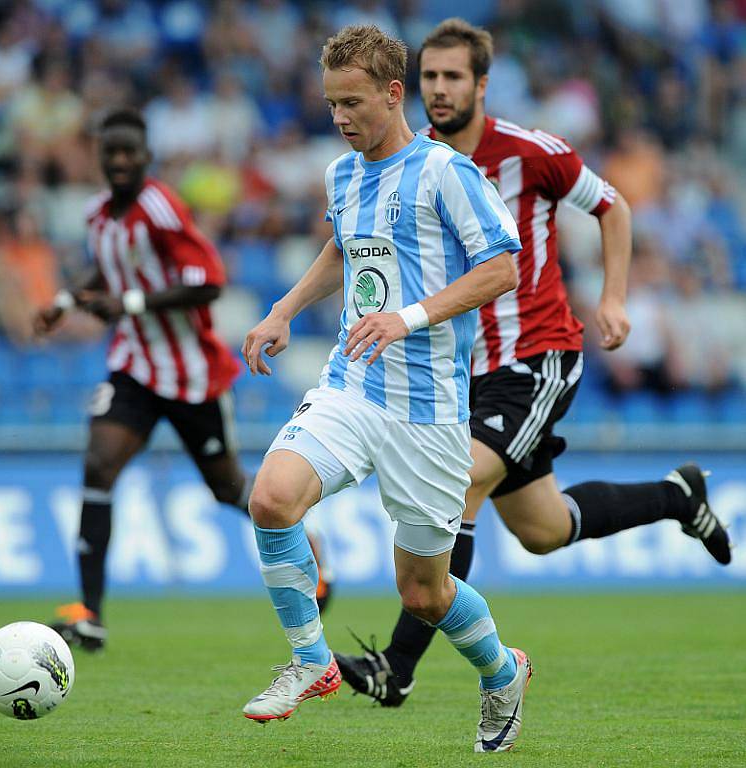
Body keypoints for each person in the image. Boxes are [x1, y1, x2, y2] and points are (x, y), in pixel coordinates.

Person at [334, 17, 732, 708]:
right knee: (543, 529)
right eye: (429, 76)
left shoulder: (530, 152)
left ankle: (394, 670)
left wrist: (611, 299)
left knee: (457, 482)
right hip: (468, 370)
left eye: (453, 76)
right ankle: (677, 496)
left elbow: (612, 208)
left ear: (481, 84)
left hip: (537, 354)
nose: (439, 89)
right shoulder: (415, 161)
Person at [241, 24, 530, 753]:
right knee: (272, 498)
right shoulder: (341, 175)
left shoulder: (445, 172)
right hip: (351, 384)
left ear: (393, 94)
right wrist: (283, 309)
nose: (339, 118)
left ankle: (500, 672)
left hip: (428, 411)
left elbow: (501, 267)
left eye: (352, 103)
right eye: (331, 103)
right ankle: (311, 662)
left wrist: (408, 316)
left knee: (424, 594)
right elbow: (343, 247)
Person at [34, 108, 331, 651]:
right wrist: (65, 300)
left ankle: (306, 543)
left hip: (192, 374)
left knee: (226, 488)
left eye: (130, 153)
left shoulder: (161, 208)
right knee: (98, 466)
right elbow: (112, 267)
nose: (120, 161)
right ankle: (89, 613)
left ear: (145, 158)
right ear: (101, 158)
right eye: (111, 152)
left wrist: (126, 303)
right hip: (135, 369)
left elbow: (209, 281)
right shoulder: (98, 215)